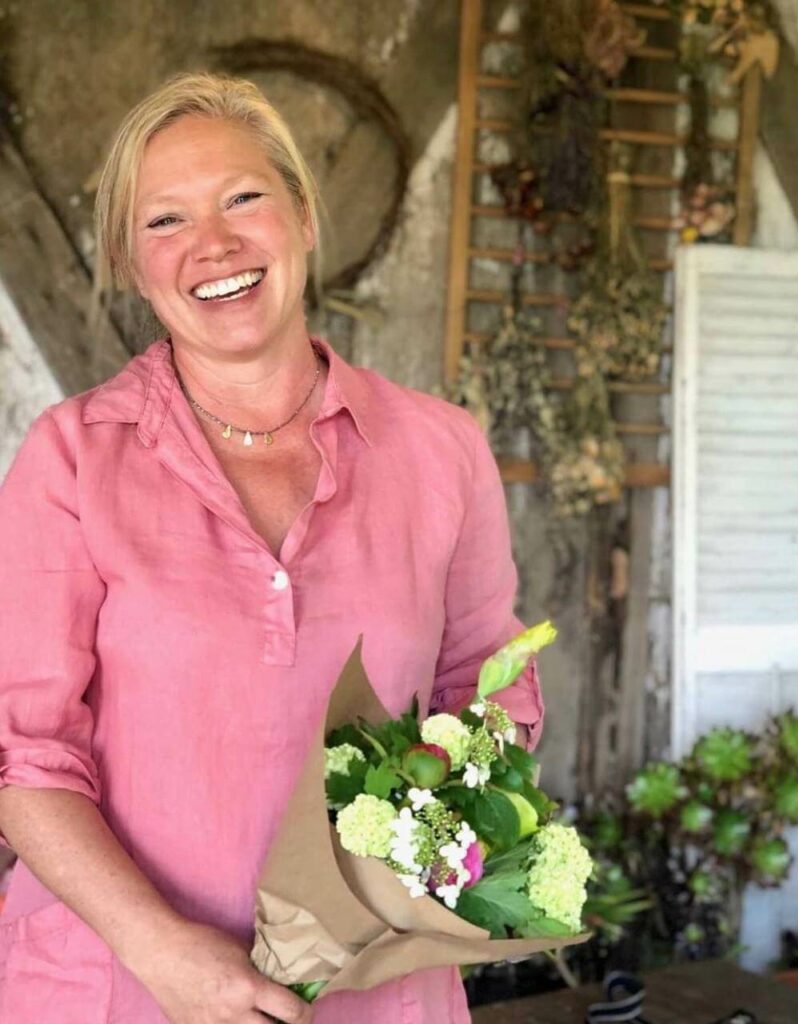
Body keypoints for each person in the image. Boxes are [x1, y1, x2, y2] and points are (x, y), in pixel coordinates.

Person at [0, 73, 545, 1024]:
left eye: (243, 198)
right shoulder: (72, 459)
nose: (213, 244)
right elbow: (28, 758)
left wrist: (437, 848)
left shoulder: (440, 450)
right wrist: (164, 953)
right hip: (120, 985)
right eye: (163, 221)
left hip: (375, 989)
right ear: (131, 265)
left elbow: (485, 690)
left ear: (300, 216)